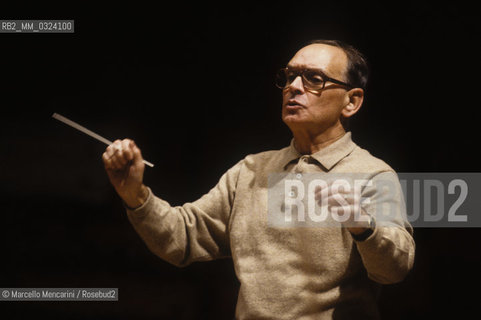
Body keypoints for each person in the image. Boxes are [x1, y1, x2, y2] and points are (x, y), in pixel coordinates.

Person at [102, 39, 415, 319]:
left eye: (313, 79)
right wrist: (136, 195)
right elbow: (182, 238)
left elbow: (394, 269)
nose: (293, 86)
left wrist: (363, 226)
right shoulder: (251, 171)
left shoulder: (373, 174)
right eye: (288, 77)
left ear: (352, 101)